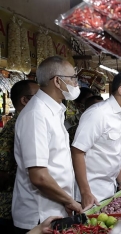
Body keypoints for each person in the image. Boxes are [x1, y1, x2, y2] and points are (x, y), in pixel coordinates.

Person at [12, 56, 83, 233]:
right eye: (73, 78)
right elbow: (39, 176)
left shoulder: (54, 111)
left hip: (56, 209)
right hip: (38, 216)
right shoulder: (36, 114)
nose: (77, 83)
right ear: (58, 81)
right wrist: (70, 201)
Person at [71, 71, 121, 210]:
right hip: (90, 193)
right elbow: (77, 152)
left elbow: (116, 152)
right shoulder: (98, 113)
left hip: (110, 189)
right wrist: (85, 192)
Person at [0, 80, 39, 233]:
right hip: (8, 207)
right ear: (24, 100)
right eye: (38, 96)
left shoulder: (31, 122)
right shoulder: (14, 127)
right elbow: (2, 172)